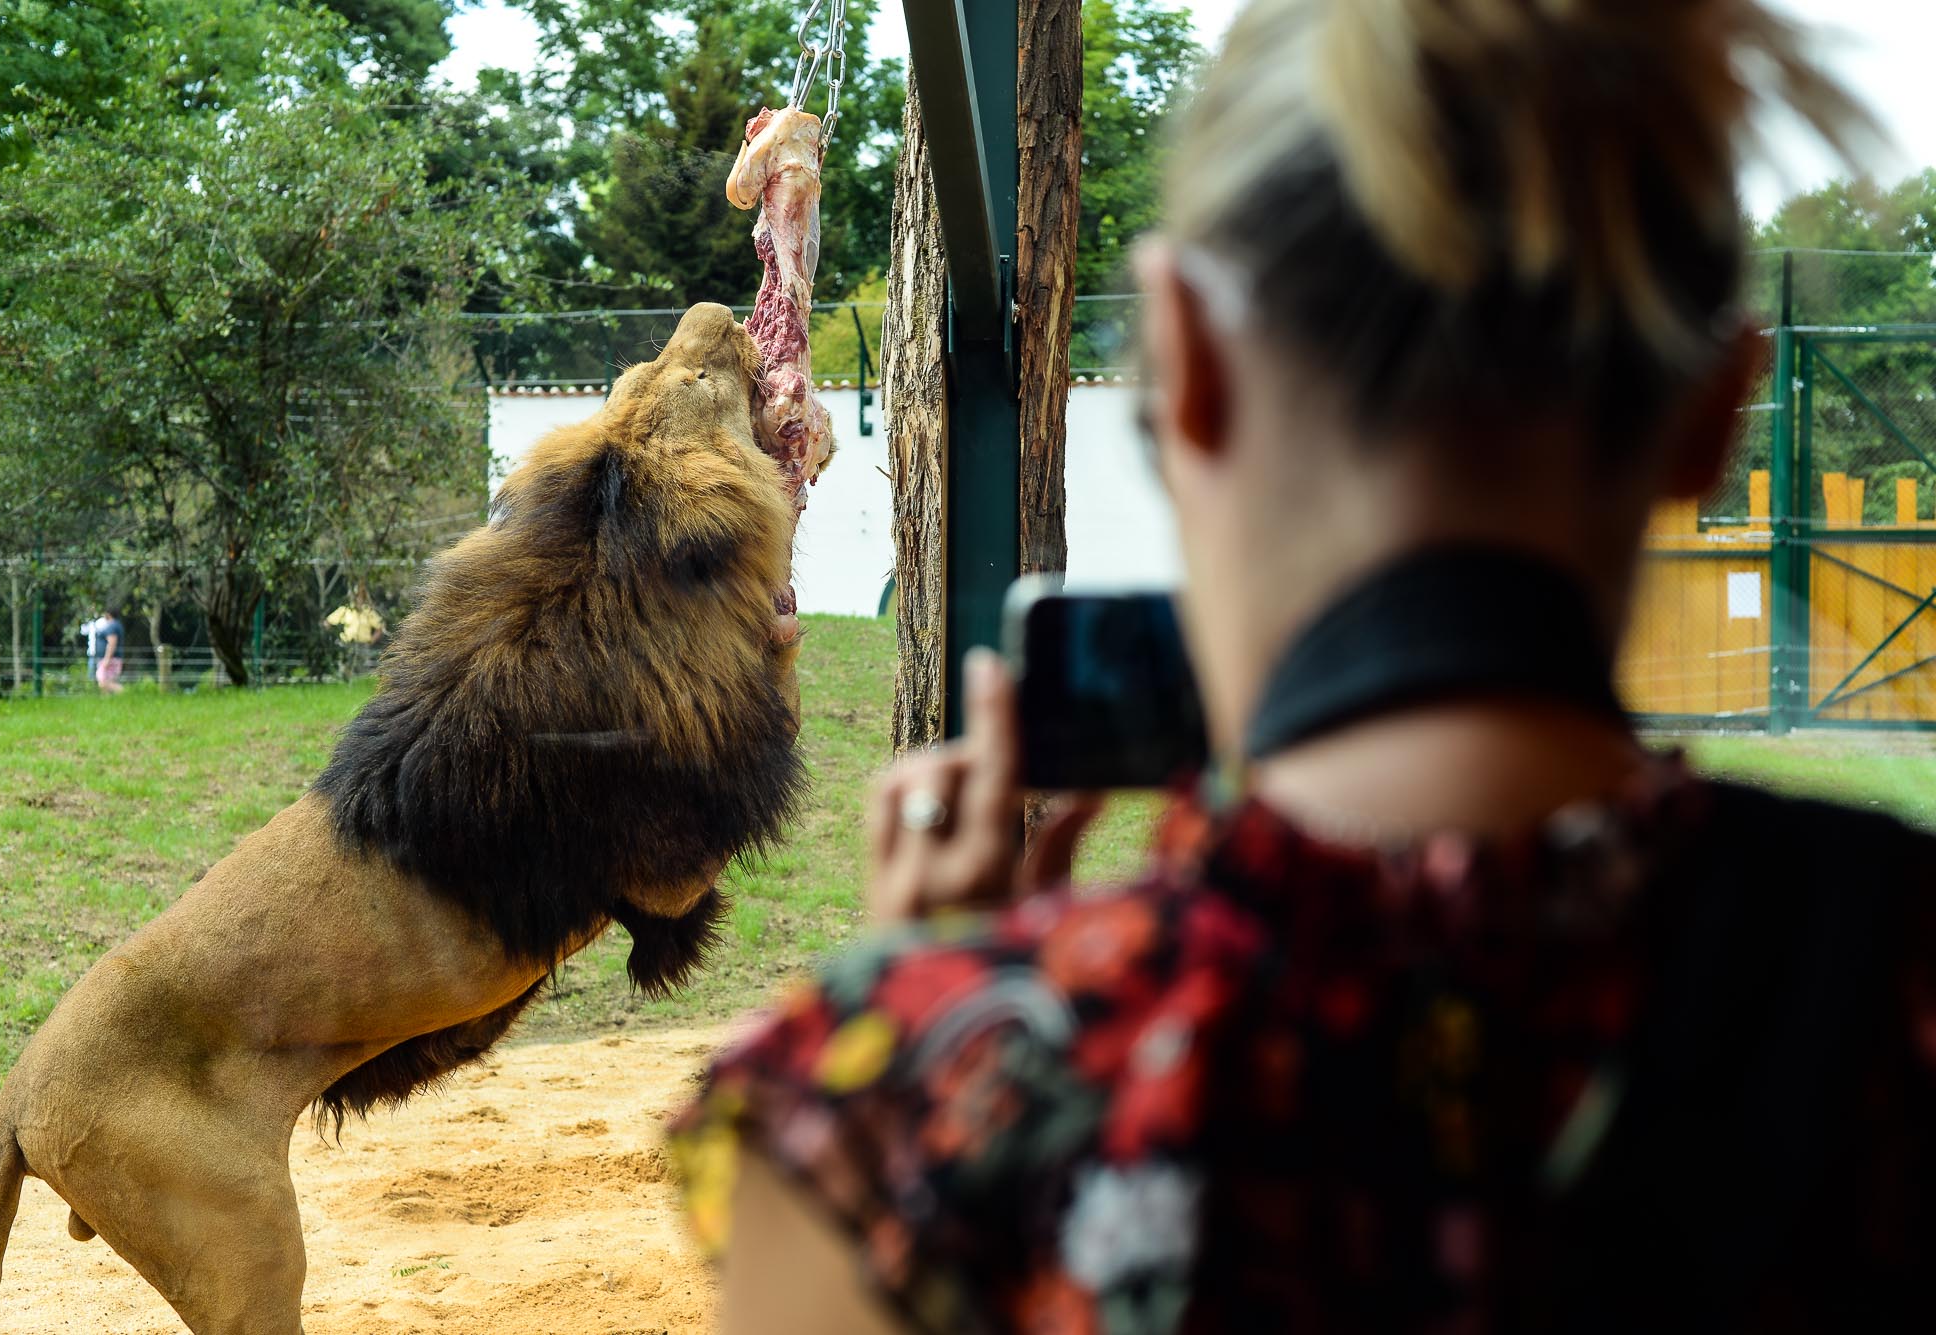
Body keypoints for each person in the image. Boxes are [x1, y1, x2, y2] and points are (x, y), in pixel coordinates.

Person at [671, 0, 1927, 1330]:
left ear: (1191, 359)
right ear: (1717, 410)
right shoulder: (1898, 987)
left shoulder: (873, 1120)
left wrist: (938, 1041)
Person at [92, 609, 124, 694]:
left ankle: (124, 692)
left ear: (108, 614)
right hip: (114, 658)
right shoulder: (117, 624)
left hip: (110, 659)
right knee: (109, 681)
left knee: (102, 681)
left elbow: (112, 643)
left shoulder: (112, 626)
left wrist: (107, 659)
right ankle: (106, 701)